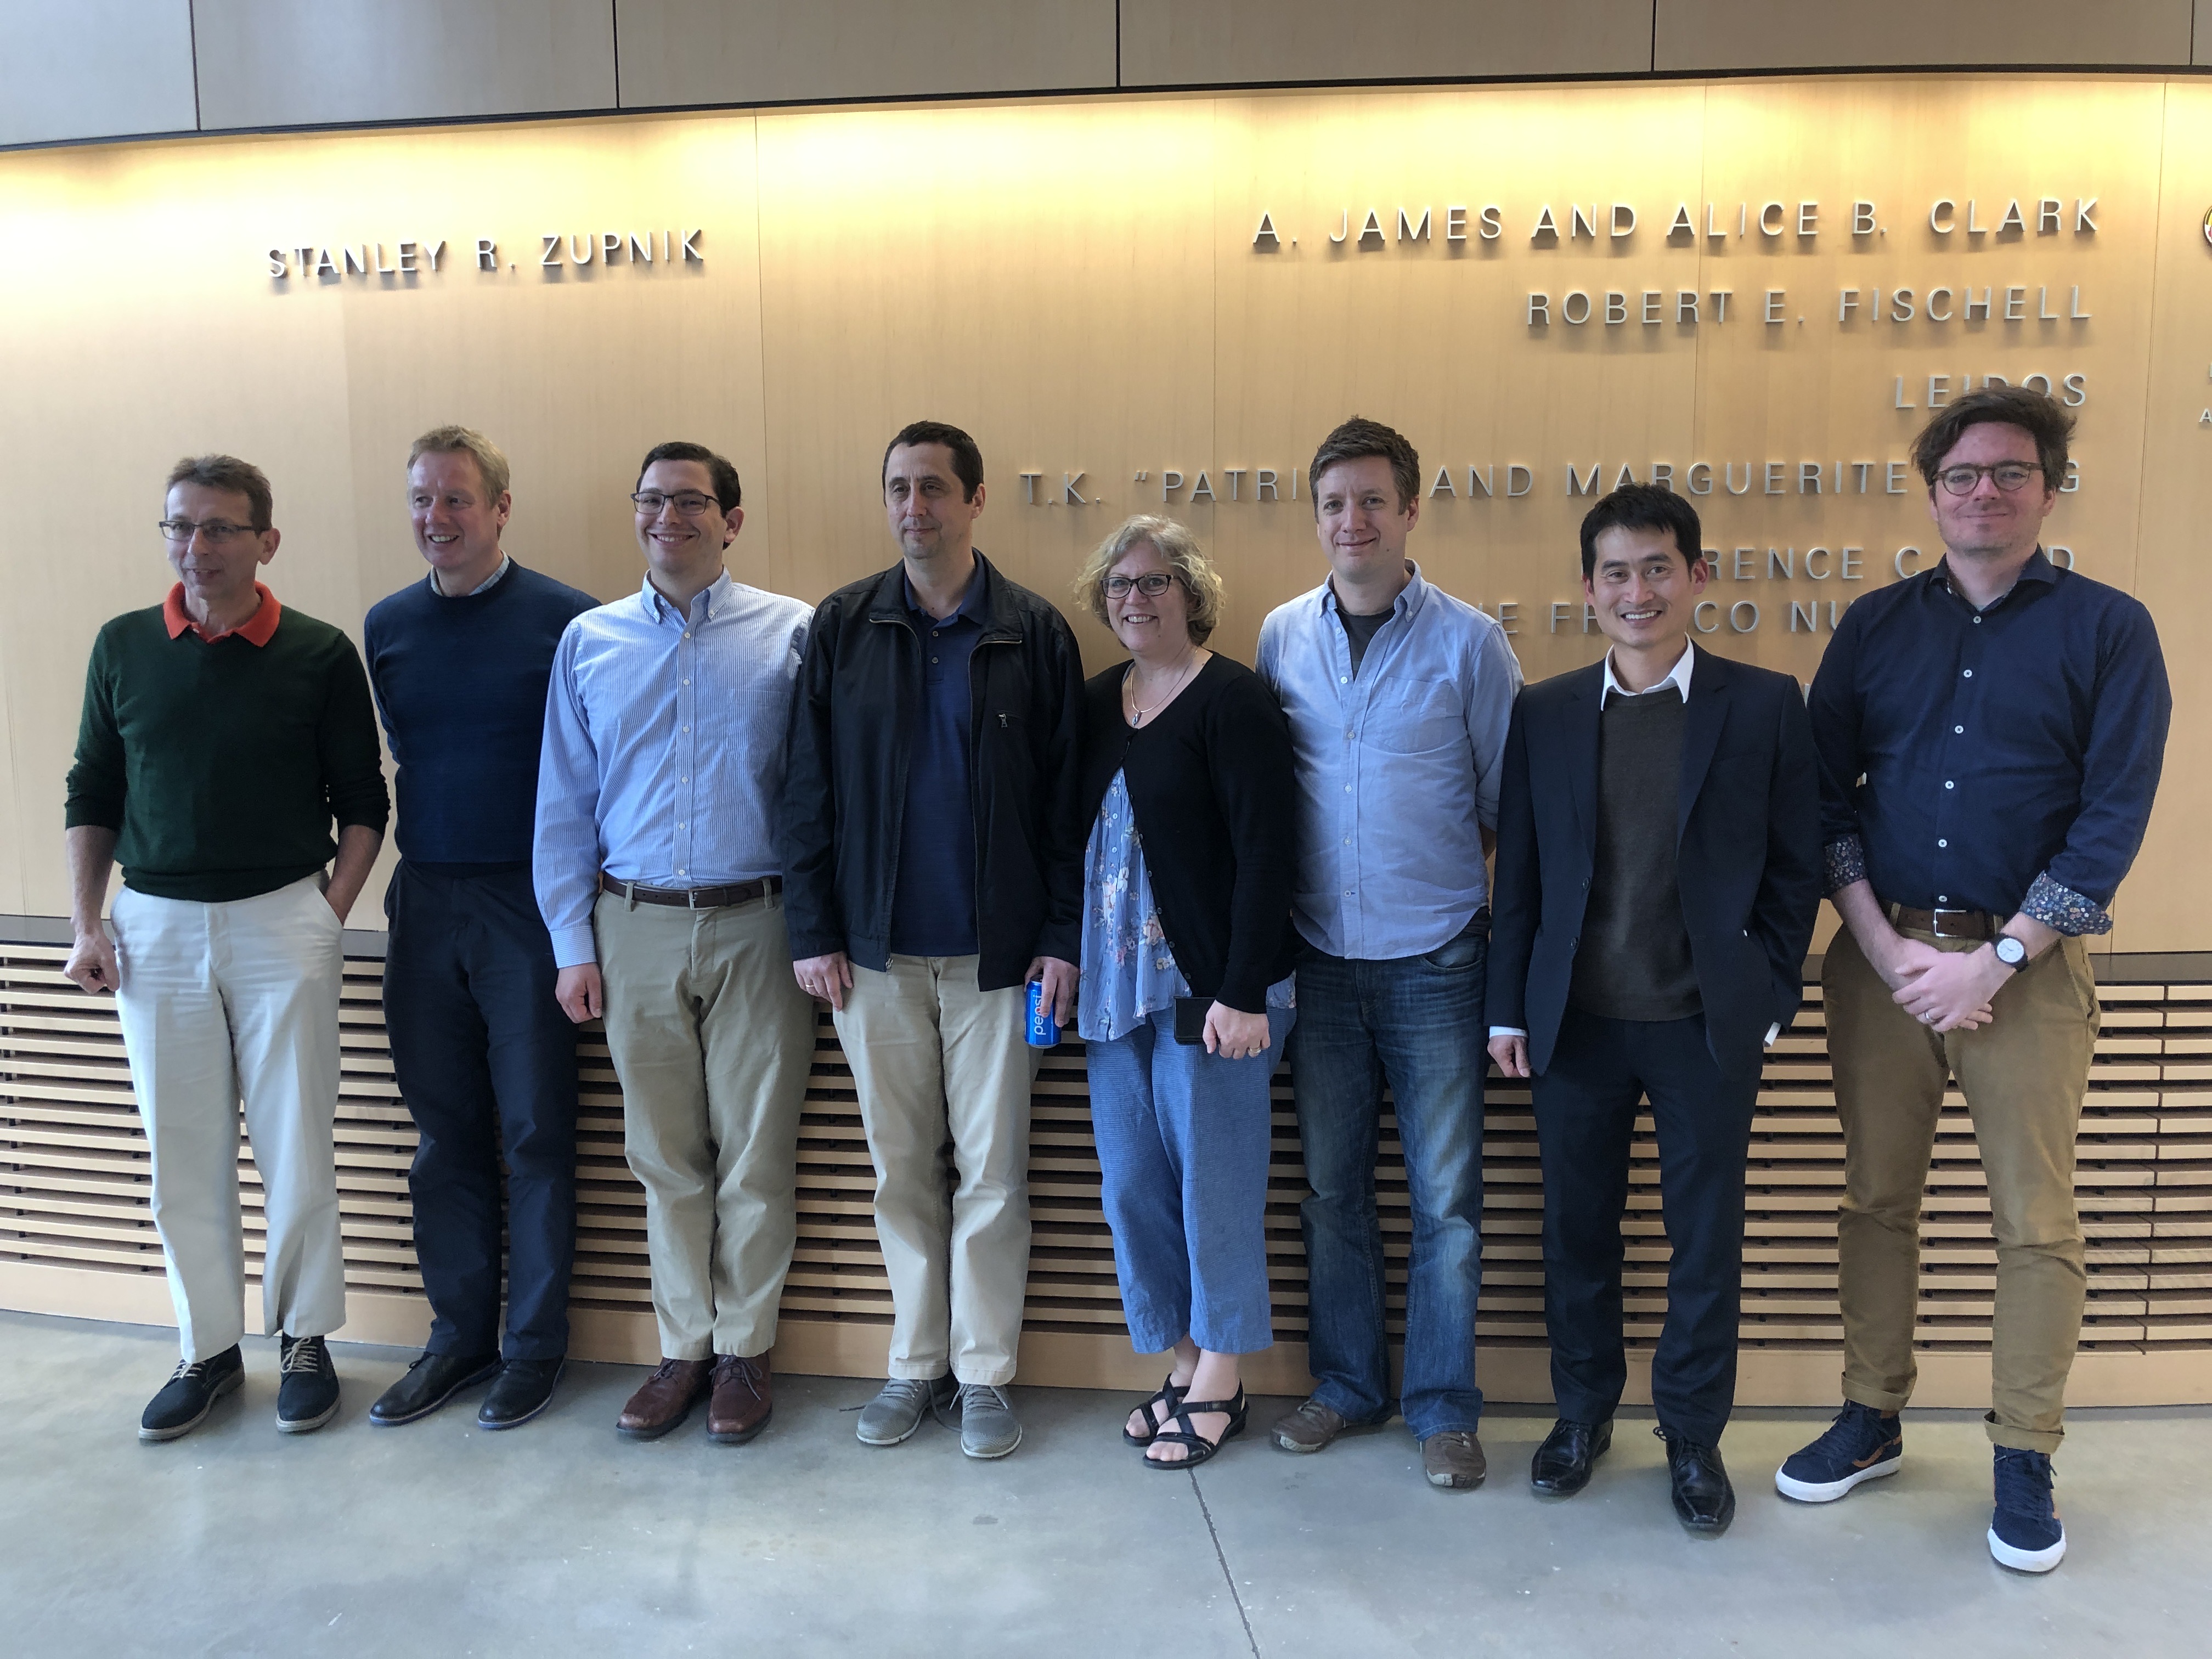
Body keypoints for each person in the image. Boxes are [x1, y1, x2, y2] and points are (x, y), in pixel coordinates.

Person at [1785, 385, 2170, 1573]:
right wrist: (1883, 943)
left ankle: (2024, 1447)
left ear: (2048, 489)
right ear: (1933, 491)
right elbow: (1822, 793)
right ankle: (1872, 1415)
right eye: (1961, 475)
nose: (1984, 493)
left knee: (2035, 1224)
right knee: (1874, 1201)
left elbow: (2112, 817)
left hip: (2029, 973)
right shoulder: (1877, 626)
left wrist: (1998, 957)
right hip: (1882, 962)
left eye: (2009, 473)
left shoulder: (2110, 629)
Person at [1487, 483, 1821, 1533]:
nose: (1639, 591)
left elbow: (1793, 868)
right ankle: (1582, 1415)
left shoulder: (1763, 705)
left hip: (1704, 1028)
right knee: (1576, 1232)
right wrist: (1508, 1011)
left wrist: (1768, 999)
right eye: (1617, 573)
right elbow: (1522, 880)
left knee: (1703, 1238)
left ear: (1697, 577)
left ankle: (1692, 1435)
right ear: (1590, 589)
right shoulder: (1542, 711)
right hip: (1575, 1024)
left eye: (1658, 568)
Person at [64, 454, 389, 1442]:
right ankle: (206, 1349)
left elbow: (364, 802)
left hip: (282, 918)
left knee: (296, 1143)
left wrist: (324, 914)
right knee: (181, 1153)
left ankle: (303, 1341)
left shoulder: (320, 652)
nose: (196, 547)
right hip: (153, 927)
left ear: (265, 541)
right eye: (179, 527)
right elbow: (94, 789)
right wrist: (87, 922)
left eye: (218, 528)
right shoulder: (123, 646)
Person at [781, 419, 1085, 1460]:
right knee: (900, 1172)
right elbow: (806, 792)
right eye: (899, 490)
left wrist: (1060, 935)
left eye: (935, 489)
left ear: (976, 499)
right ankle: (916, 1364)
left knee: (997, 1173)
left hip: (999, 959)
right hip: (874, 960)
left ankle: (987, 1373)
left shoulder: (1034, 632)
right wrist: (813, 928)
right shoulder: (843, 626)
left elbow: (1066, 809)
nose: (916, 508)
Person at [1256, 416, 1522, 1491]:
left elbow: (1506, 806)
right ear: (1314, 516)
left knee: (1446, 1200)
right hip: (1318, 966)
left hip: (1438, 966)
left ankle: (1444, 1406)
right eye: (1333, 503)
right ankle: (1349, 1387)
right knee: (1330, 1193)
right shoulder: (1281, 636)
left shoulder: (1472, 643)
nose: (1351, 521)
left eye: (1372, 500)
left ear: (1412, 509)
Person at [534, 441, 816, 1447]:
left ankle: (746, 1346)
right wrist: (574, 943)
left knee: (754, 1154)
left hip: (761, 923)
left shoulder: (794, 634)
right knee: (662, 1156)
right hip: (633, 925)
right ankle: (683, 1348)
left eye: (692, 502)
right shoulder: (590, 642)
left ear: (732, 520)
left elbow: (820, 799)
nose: (669, 518)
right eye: (651, 501)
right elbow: (563, 805)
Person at [362, 426, 597, 1431]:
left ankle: (533, 1348)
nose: (437, 518)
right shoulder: (387, 626)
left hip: (530, 906)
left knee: (539, 1130)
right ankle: (458, 1337)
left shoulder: (568, 621)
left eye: (457, 500)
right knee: (443, 1134)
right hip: (426, 903)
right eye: (422, 500)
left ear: (501, 509)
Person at [1071, 516, 1299, 1468]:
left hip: (1216, 996)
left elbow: (1269, 854)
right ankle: (1180, 1356)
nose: (1136, 598)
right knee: (1132, 1189)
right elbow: (1064, 845)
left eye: (1156, 582)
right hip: (1113, 993)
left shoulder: (1235, 700)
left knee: (1215, 1190)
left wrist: (1243, 987)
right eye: (1121, 584)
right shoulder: (1095, 704)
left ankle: (1225, 1375)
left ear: (1192, 593)